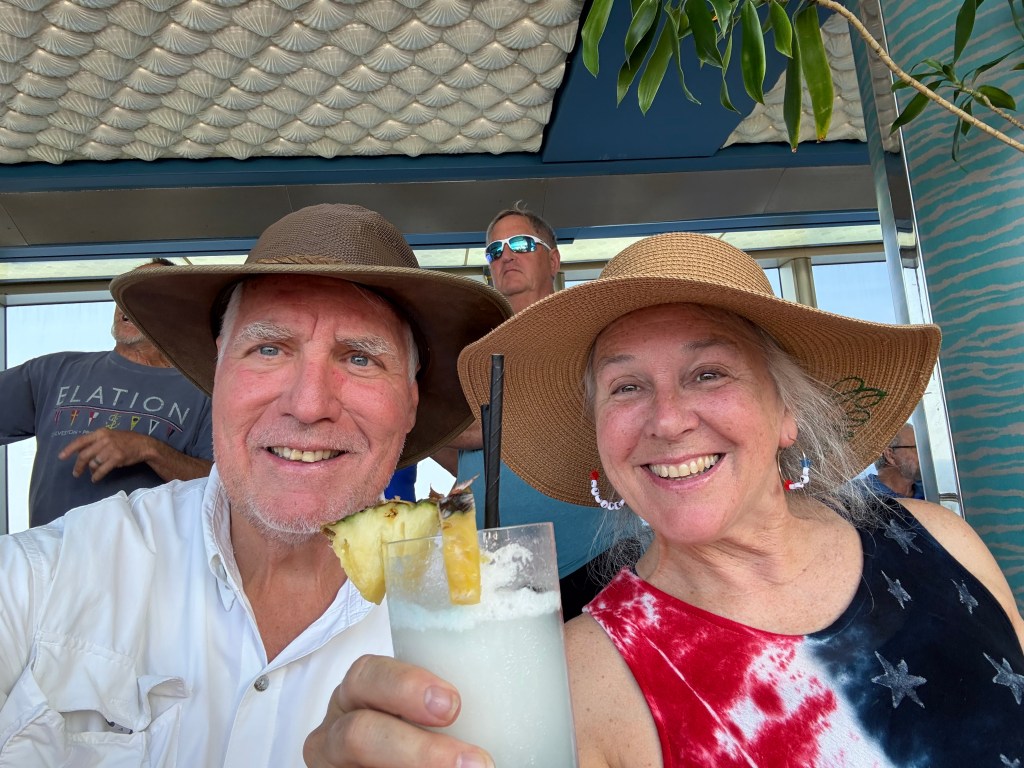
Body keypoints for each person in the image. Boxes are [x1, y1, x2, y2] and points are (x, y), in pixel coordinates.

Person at [306, 233, 1024, 768]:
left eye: (708, 373)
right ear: (600, 441)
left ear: (786, 414)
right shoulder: (574, 683)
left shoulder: (942, 540)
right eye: (626, 387)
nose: (668, 419)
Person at [0, 204, 510, 766]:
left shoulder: (486, 615)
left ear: (409, 402)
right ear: (217, 370)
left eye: (361, 358)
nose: (308, 405)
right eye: (269, 349)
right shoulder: (55, 570)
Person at [436, 204, 629, 619]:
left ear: (553, 260)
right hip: (498, 568)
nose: (506, 255)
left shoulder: (587, 329)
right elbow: (449, 439)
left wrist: (458, 424)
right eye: (495, 251)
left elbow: (566, 415)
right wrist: (474, 440)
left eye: (521, 244)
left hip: (594, 556)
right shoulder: (470, 352)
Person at [0, 258, 214, 527]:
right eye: (124, 293)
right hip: (52, 552)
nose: (127, 303)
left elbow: (223, 489)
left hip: (147, 555)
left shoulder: (205, 391)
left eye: (145, 293)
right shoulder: (54, 371)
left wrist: (151, 449)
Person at [852, 423, 926, 500]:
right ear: (890, 455)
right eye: (917, 448)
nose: (925, 454)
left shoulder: (929, 488)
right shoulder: (856, 495)